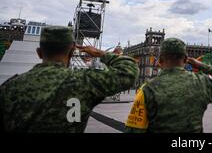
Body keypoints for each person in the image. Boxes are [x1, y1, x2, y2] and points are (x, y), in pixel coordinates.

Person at [0, 26, 138, 133]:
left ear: (39, 53)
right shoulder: (85, 82)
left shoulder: (10, 87)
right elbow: (129, 71)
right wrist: (100, 53)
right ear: (72, 53)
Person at [125, 37, 212, 133]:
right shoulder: (201, 82)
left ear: (160, 60)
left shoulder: (147, 89)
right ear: (186, 59)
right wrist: (202, 65)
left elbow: (134, 130)